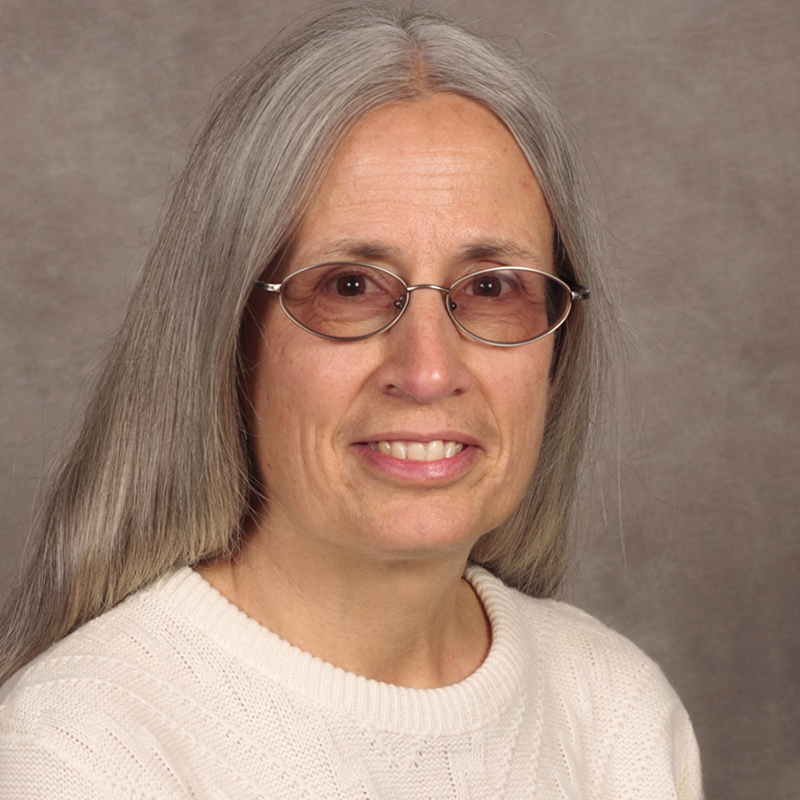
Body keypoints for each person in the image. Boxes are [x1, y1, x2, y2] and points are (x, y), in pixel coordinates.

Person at [0, 6, 702, 798]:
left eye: (492, 288)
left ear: (557, 349)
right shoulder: (80, 752)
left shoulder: (616, 714)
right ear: (231, 336)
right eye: (350, 287)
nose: (429, 371)